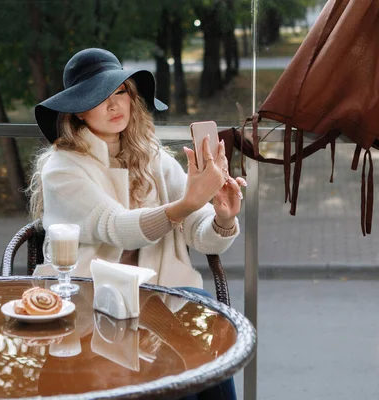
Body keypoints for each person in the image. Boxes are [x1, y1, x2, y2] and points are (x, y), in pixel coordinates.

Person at [29, 48, 244, 399]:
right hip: (90, 302)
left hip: (158, 298)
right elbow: (116, 225)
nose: (115, 106)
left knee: (210, 352)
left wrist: (222, 217)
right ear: (79, 110)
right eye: (100, 97)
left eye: (121, 93)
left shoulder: (153, 157)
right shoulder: (62, 168)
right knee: (185, 376)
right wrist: (186, 203)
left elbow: (200, 236)